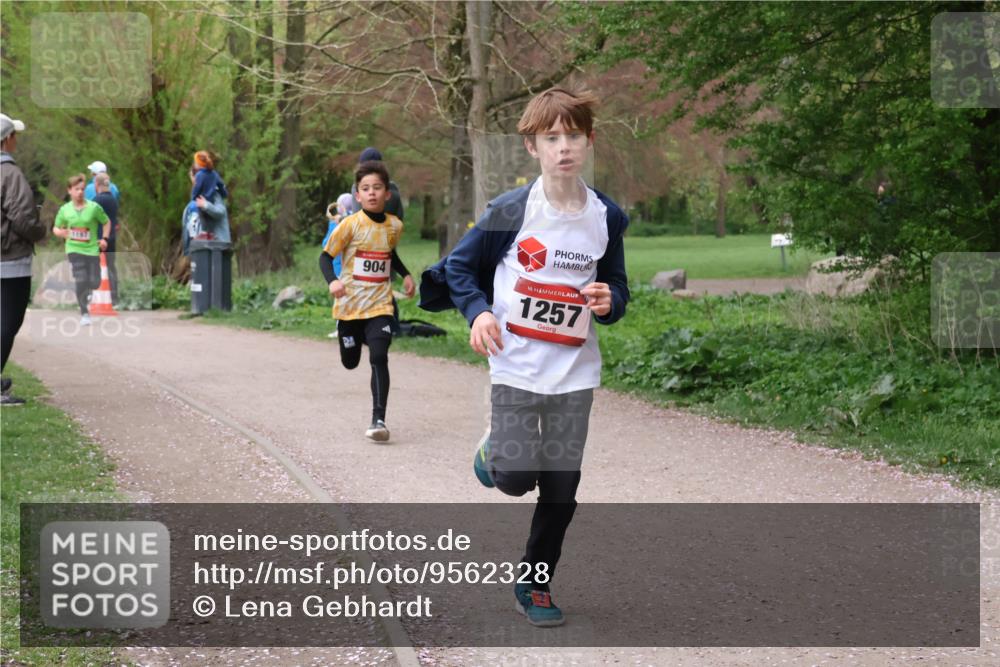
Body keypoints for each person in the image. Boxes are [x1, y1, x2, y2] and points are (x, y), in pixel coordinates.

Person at [419, 87, 629, 627]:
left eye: (574, 136)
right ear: (532, 147)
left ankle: (533, 585)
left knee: (561, 490)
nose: (564, 147)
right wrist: (478, 313)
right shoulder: (511, 210)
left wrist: (611, 301)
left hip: (575, 370)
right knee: (515, 479)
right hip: (515, 363)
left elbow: (616, 288)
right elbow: (458, 269)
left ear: (589, 141)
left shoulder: (607, 216)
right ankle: (496, 453)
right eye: (551, 137)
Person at [318, 161, 415, 442]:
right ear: (357, 196)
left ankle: (378, 420)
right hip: (349, 307)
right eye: (365, 189)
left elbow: (388, 254)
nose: (371, 193)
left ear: (387, 193)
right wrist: (333, 281)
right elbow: (325, 257)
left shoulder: (395, 226)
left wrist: (406, 274)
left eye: (377, 188)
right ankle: (352, 337)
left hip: (380, 305)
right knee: (350, 362)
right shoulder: (349, 225)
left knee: (379, 356)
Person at [1, 113, 46, 406]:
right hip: (9, 258)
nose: (17, 139)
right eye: (15, 134)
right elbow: (23, 218)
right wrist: (39, 231)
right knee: (8, 320)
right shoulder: (9, 174)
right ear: (6, 139)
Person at [349, 147, 412, 333]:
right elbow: (400, 216)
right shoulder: (392, 189)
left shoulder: (359, 188)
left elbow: (358, 217)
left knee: (371, 286)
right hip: (387, 243)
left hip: (367, 246)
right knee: (384, 285)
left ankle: (384, 326)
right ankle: (389, 325)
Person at [52, 174, 111, 326]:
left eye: (82, 189)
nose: (80, 192)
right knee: (80, 278)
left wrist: (104, 239)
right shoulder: (65, 210)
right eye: (76, 189)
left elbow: (106, 222)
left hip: (91, 249)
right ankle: (84, 312)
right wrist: (60, 232)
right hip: (73, 249)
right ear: (69, 190)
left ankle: (88, 292)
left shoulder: (94, 208)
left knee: (95, 282)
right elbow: (56, 227)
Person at [321, 193, 355, 338]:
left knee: (342, 300)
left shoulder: (343, 223)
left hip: (341, 267)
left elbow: (330, 244)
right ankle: (345, 328)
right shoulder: (345, 221)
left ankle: (342, 329)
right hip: (340, 267)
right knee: (345, 299)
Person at [181, 163, 230, 255]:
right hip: (205, 249)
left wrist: (205, 205)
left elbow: (220, 211)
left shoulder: (213, 194)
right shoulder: (199, 197)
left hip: (216, 248)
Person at [92, 173, 120, 304]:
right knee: (111, 267)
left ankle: (95, 295)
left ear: (97, 184)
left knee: (96, 266)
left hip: (99, 239)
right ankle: (114, 296)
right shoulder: (113, 200)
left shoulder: (97, 200)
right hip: (112, 238)